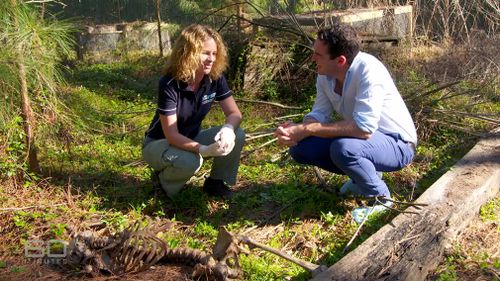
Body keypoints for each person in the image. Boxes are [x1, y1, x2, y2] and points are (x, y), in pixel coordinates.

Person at [274, 20, 417, 222]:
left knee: (345, 149)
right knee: (301, 148)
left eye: (318, 54)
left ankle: (381, 198)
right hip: (367, 143)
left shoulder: (368, 70)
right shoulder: (325, 74)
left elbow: (364, 128)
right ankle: (362, 178)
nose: (312, 57)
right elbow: (319, 113)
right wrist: (296, 130)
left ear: (340, 60)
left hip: (398, 144)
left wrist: (309, 128)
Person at [142, 24, 245, 199]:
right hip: (159, 144)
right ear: (188, 52)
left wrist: (228, 129)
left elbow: (235, 114)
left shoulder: (214, 79)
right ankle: (163, 183)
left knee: (238, 133)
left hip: (191, 138)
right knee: (192, 161)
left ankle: (215, 183)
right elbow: (172, 135)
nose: (211, 59)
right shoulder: (170, 84)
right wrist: (203, 149)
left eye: (214, 53)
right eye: (205, 53)